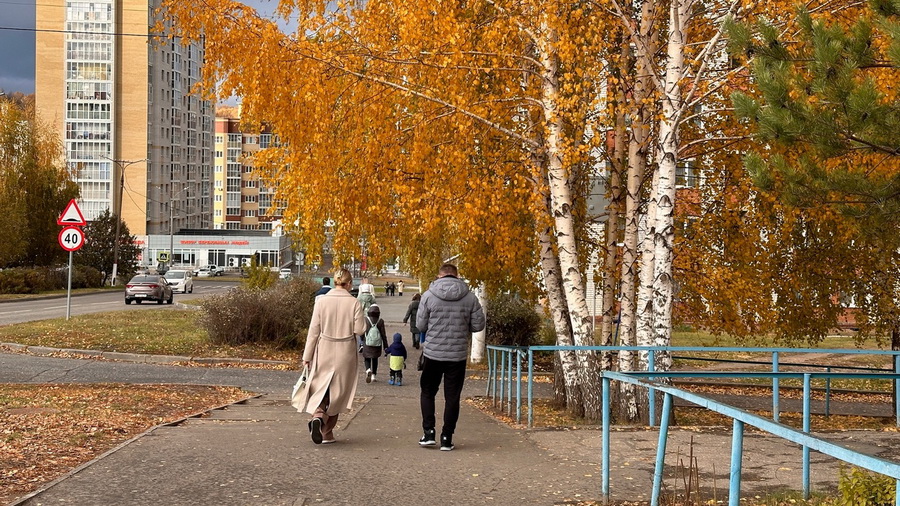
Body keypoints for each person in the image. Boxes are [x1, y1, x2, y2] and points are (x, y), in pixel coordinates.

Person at [416, 263, 485, 451]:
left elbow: (420, 326)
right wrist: (463, 326)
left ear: (439, 276)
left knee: (428, 392)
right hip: (457, 356)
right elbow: (479, 325)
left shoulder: (428, 296)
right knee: (452, 397)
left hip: (433, 354)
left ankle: (428, 432)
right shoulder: (470, 297)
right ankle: (447, 437)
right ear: (457, 276)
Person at [298, 268, 365, 445]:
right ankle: (327, 432)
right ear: (349, 283)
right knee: (339, 391)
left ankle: (318, 415)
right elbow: (360, 330)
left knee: (321, 386)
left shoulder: (322, 301)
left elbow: (313, 331)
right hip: (345, 351)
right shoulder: (354, 303)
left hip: (324, 348)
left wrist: (307, 355)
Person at [361, 303, 388, 383]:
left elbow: (362, 331)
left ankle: (368, 369)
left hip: (367, 342)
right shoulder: (380, 321)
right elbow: (383, 335)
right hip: (377, 344)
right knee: (375, 359)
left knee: (367, 358)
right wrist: (385, 346)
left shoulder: (366, 320)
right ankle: (373, 375)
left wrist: (362, 340)